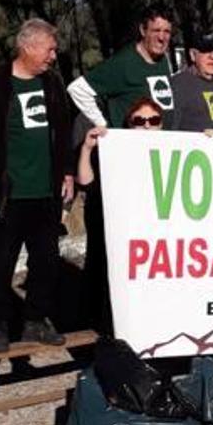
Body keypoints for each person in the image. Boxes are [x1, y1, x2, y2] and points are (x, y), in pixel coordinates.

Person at [0, 18, 73, 352]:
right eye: (49, 48)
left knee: (46, 260)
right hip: (4, 194)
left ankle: (35, 320)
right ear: (28, 46)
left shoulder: (52, 83)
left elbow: (64, 132)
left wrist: (67, 172)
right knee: (0, 261)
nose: (53, 56)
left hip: (45, 192)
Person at [76, 98, 165, 333]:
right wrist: (87, 149)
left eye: (153, 120)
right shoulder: (115, 151)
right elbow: (86, 182)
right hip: (121, 239)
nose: (147, 126)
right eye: (140, 120)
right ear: (130, 124)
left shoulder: (171, 150)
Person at [67, 5, 174, 128]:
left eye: (167, 32)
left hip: (161, 144)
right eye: (156, 30)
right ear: (143, 30)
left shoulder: (163, 59)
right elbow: (78, 89)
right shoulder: (124, 62)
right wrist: (102, 125)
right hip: (129, 144)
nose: (161, 38)